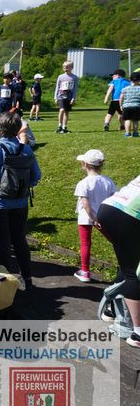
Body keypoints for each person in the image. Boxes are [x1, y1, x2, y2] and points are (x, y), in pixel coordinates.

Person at [0, 111, 42, 291]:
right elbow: (36, 176)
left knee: (2, 241)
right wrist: (23, 188)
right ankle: (27, 278)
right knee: (19, 239)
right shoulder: (26, 149)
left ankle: (5, 281)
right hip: (20, 203)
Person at [96, 175, 140, 348]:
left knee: (126, 263)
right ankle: (137, 333)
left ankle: (112, 311)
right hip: (128, 215)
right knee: (132, 272)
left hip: (110, 208)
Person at [73, 149, 116, 283]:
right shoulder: (108, 182)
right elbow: (113, 200)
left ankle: (85, 271)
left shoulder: (83, 183)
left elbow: (86, 205)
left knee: (85, 243)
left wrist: (93, 218)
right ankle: (127, 266)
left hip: (86, 217)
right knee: (114, 239)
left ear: (85, 164)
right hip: (103, 216)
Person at [54, 60, 79, 134]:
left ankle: (64, 127)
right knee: (61, 110)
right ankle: (59, 126)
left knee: (66, 112)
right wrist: (55, 97)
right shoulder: (60, 77)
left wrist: (73, 98)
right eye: (64, 67)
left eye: (67, 67)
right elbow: (57, 87)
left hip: (69, 97)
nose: (65, 69)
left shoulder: (74, 77)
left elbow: (75, 89)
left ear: (71, 68)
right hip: (61, 96)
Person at [119, 71, 140, 137]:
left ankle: (127, 133)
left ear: (129, 80)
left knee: (127, 120)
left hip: (127, 106)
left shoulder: (125, 89)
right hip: (137, 106)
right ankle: (135, 133)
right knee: (135, 120)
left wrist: (120, 105)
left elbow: (121, 97)